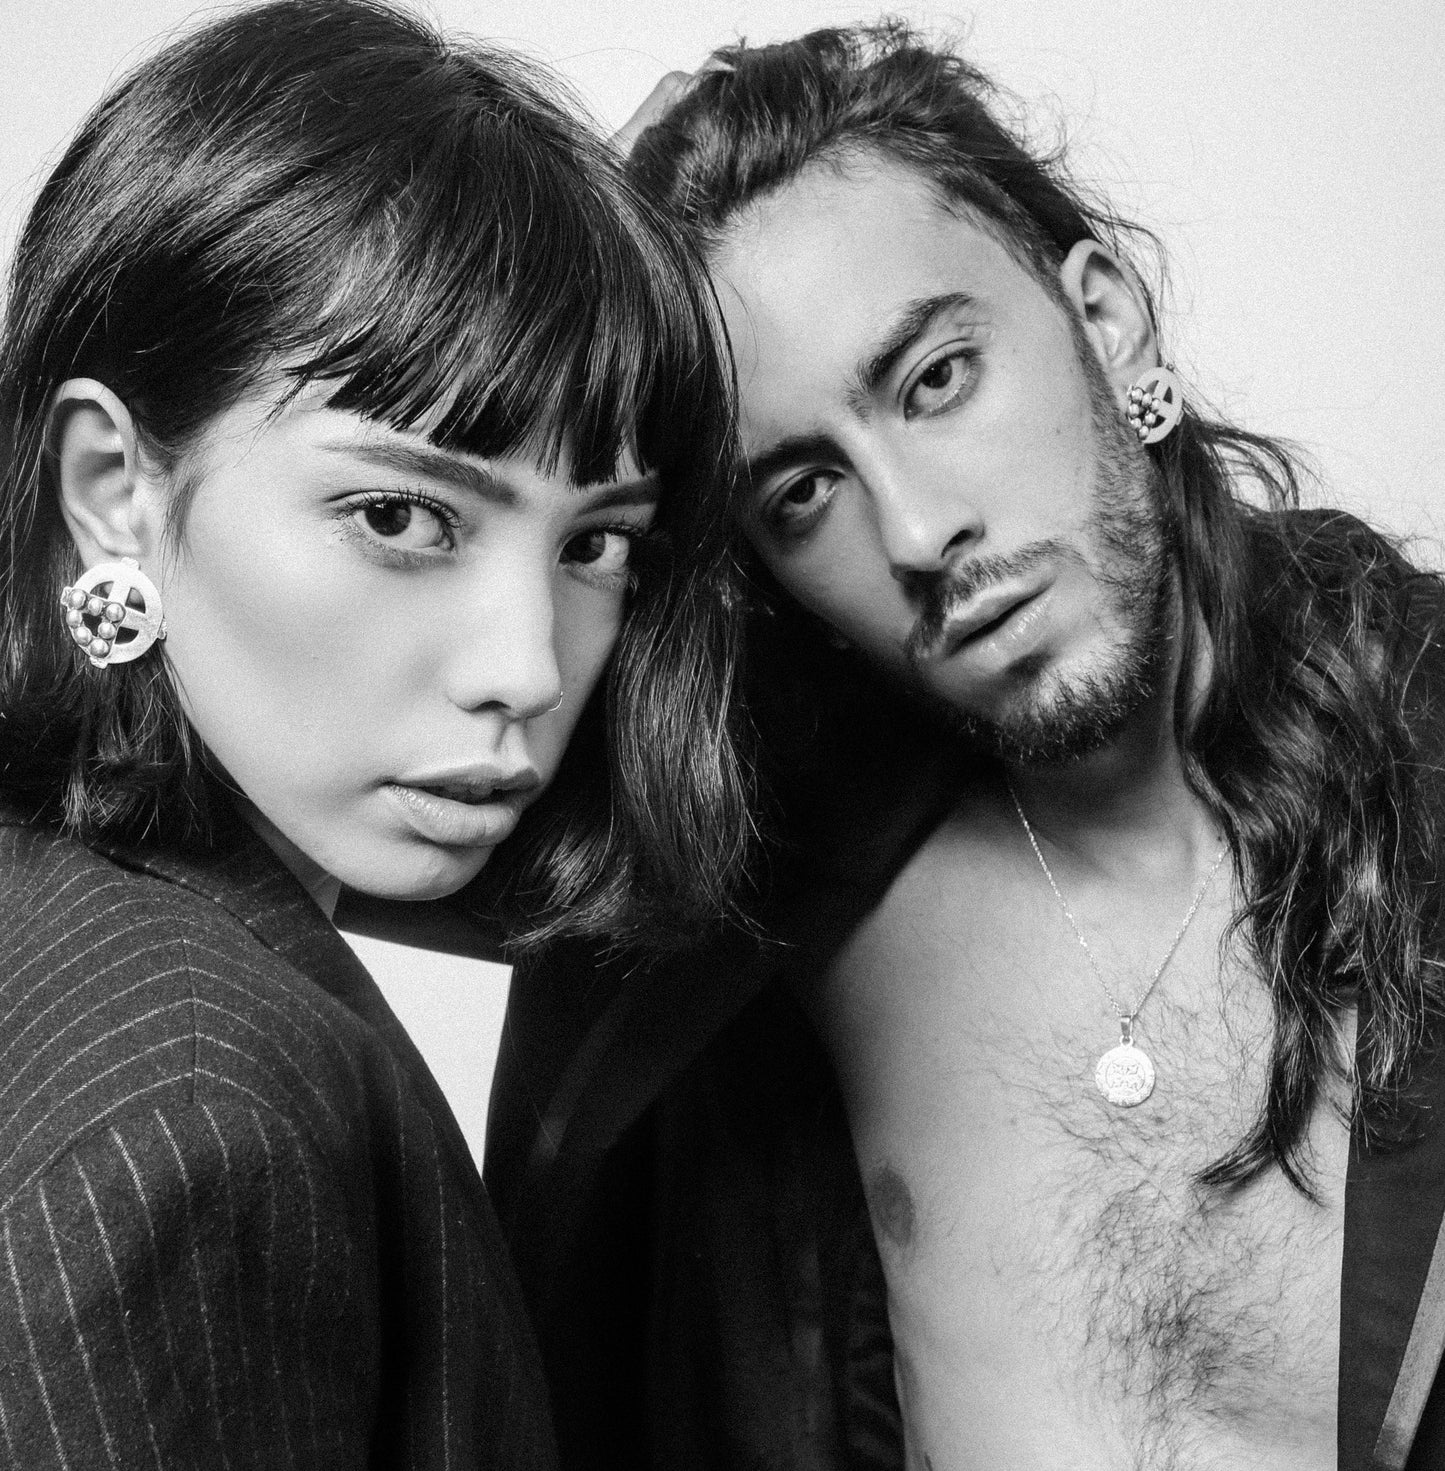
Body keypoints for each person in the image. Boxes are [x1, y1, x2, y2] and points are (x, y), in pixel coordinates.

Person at [486, 22, 1445, 1471]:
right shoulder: (750, 896)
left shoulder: (1418, 746)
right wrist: (578, 300)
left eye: (936, 380)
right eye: (803, 492)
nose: (922, 532)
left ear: (1106, 322)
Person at [0, 1, 751, 1466]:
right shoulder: (196, 1115)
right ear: (113, 491)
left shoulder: (68, 923)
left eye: (595, 546)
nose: (527, 667)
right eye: (403, 516)